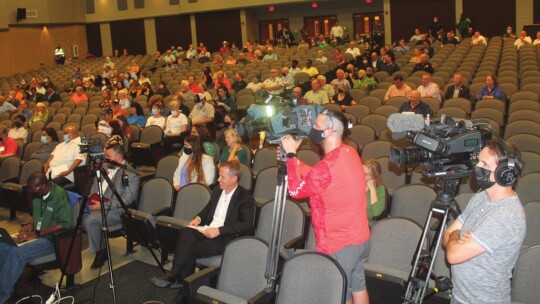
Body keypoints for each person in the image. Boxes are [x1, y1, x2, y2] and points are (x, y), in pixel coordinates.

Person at [281, 110, 370, 304]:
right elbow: (320, 178)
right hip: (360, 239)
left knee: (340, 295)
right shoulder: (349, 151)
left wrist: (289, 155)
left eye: (317, 126)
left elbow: (295, 191)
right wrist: (296, 162)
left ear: (329, 132)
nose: (312, 128)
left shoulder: (327, 167)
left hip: (339, 245)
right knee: (358, 286)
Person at [151, 160, 255, 290]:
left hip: (226, 237)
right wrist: (198, 219)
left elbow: (247, 225)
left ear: (234, 179)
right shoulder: (217, 191)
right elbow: (207, 210)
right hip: (208, 229)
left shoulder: (245, 198)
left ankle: (179, 280)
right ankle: (177, 277)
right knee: (186, 232)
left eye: (222, 176)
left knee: (189, 247)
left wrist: (219, 230)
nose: (218, 179)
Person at [443, 140, 525, 304]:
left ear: (504, 173)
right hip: (459, 296)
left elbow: (453, 255)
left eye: (484, 164)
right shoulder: (481, 196)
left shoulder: (506, 215)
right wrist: (457, 237)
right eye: (478, 161)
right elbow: (447, 236)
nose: (477, 167)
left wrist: (456, 235)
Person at [0, 172, 71, 303]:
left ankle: (2, 295)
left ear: (43, 185)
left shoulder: (59, 195)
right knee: (3, 246)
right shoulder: (38, 195)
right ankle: (6, 282)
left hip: (53, 241)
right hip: (39, 236)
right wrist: (29, 226)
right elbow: (40, 219)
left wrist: (38, 234)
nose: (31, 193)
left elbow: (63, 224)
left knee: (17, 253)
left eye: (33, 190)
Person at [83, 144, 140, 269]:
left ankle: (101, 252)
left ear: (118, 157)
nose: (104, 159)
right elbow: (94, 188)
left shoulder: (131, 174)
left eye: (108, 156)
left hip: (117, 210)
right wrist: (90, 200)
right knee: (76, 211)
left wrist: (103, 205)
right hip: (97, 202)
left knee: (89, 220)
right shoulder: (103, 168)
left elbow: (126, 200)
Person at [363, 159, 386, 226]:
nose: (361, 174)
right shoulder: (356, 185)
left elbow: (376, 213)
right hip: (355, 224)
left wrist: (372, 189)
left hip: (370, 226)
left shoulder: (380, 189)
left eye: (365, 174)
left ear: (373, 177)